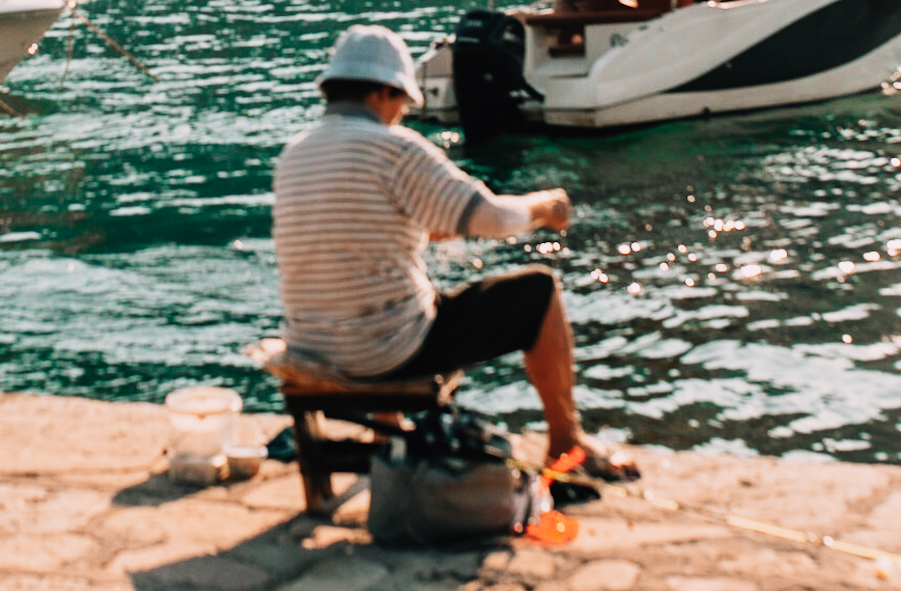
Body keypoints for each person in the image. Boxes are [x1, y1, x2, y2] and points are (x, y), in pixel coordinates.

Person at [273, 23, 638, 477]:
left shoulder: (296, 153)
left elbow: (352, 233)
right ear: (385, 93)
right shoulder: (395, 149)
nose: (402, 113)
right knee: (538, 292)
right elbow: (497, 219)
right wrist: (547, 206)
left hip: (310, 348)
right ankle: (566, 442)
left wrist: (425, 231)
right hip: (382, 354)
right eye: (402, 102)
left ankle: (386, 432)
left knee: (401, 292)